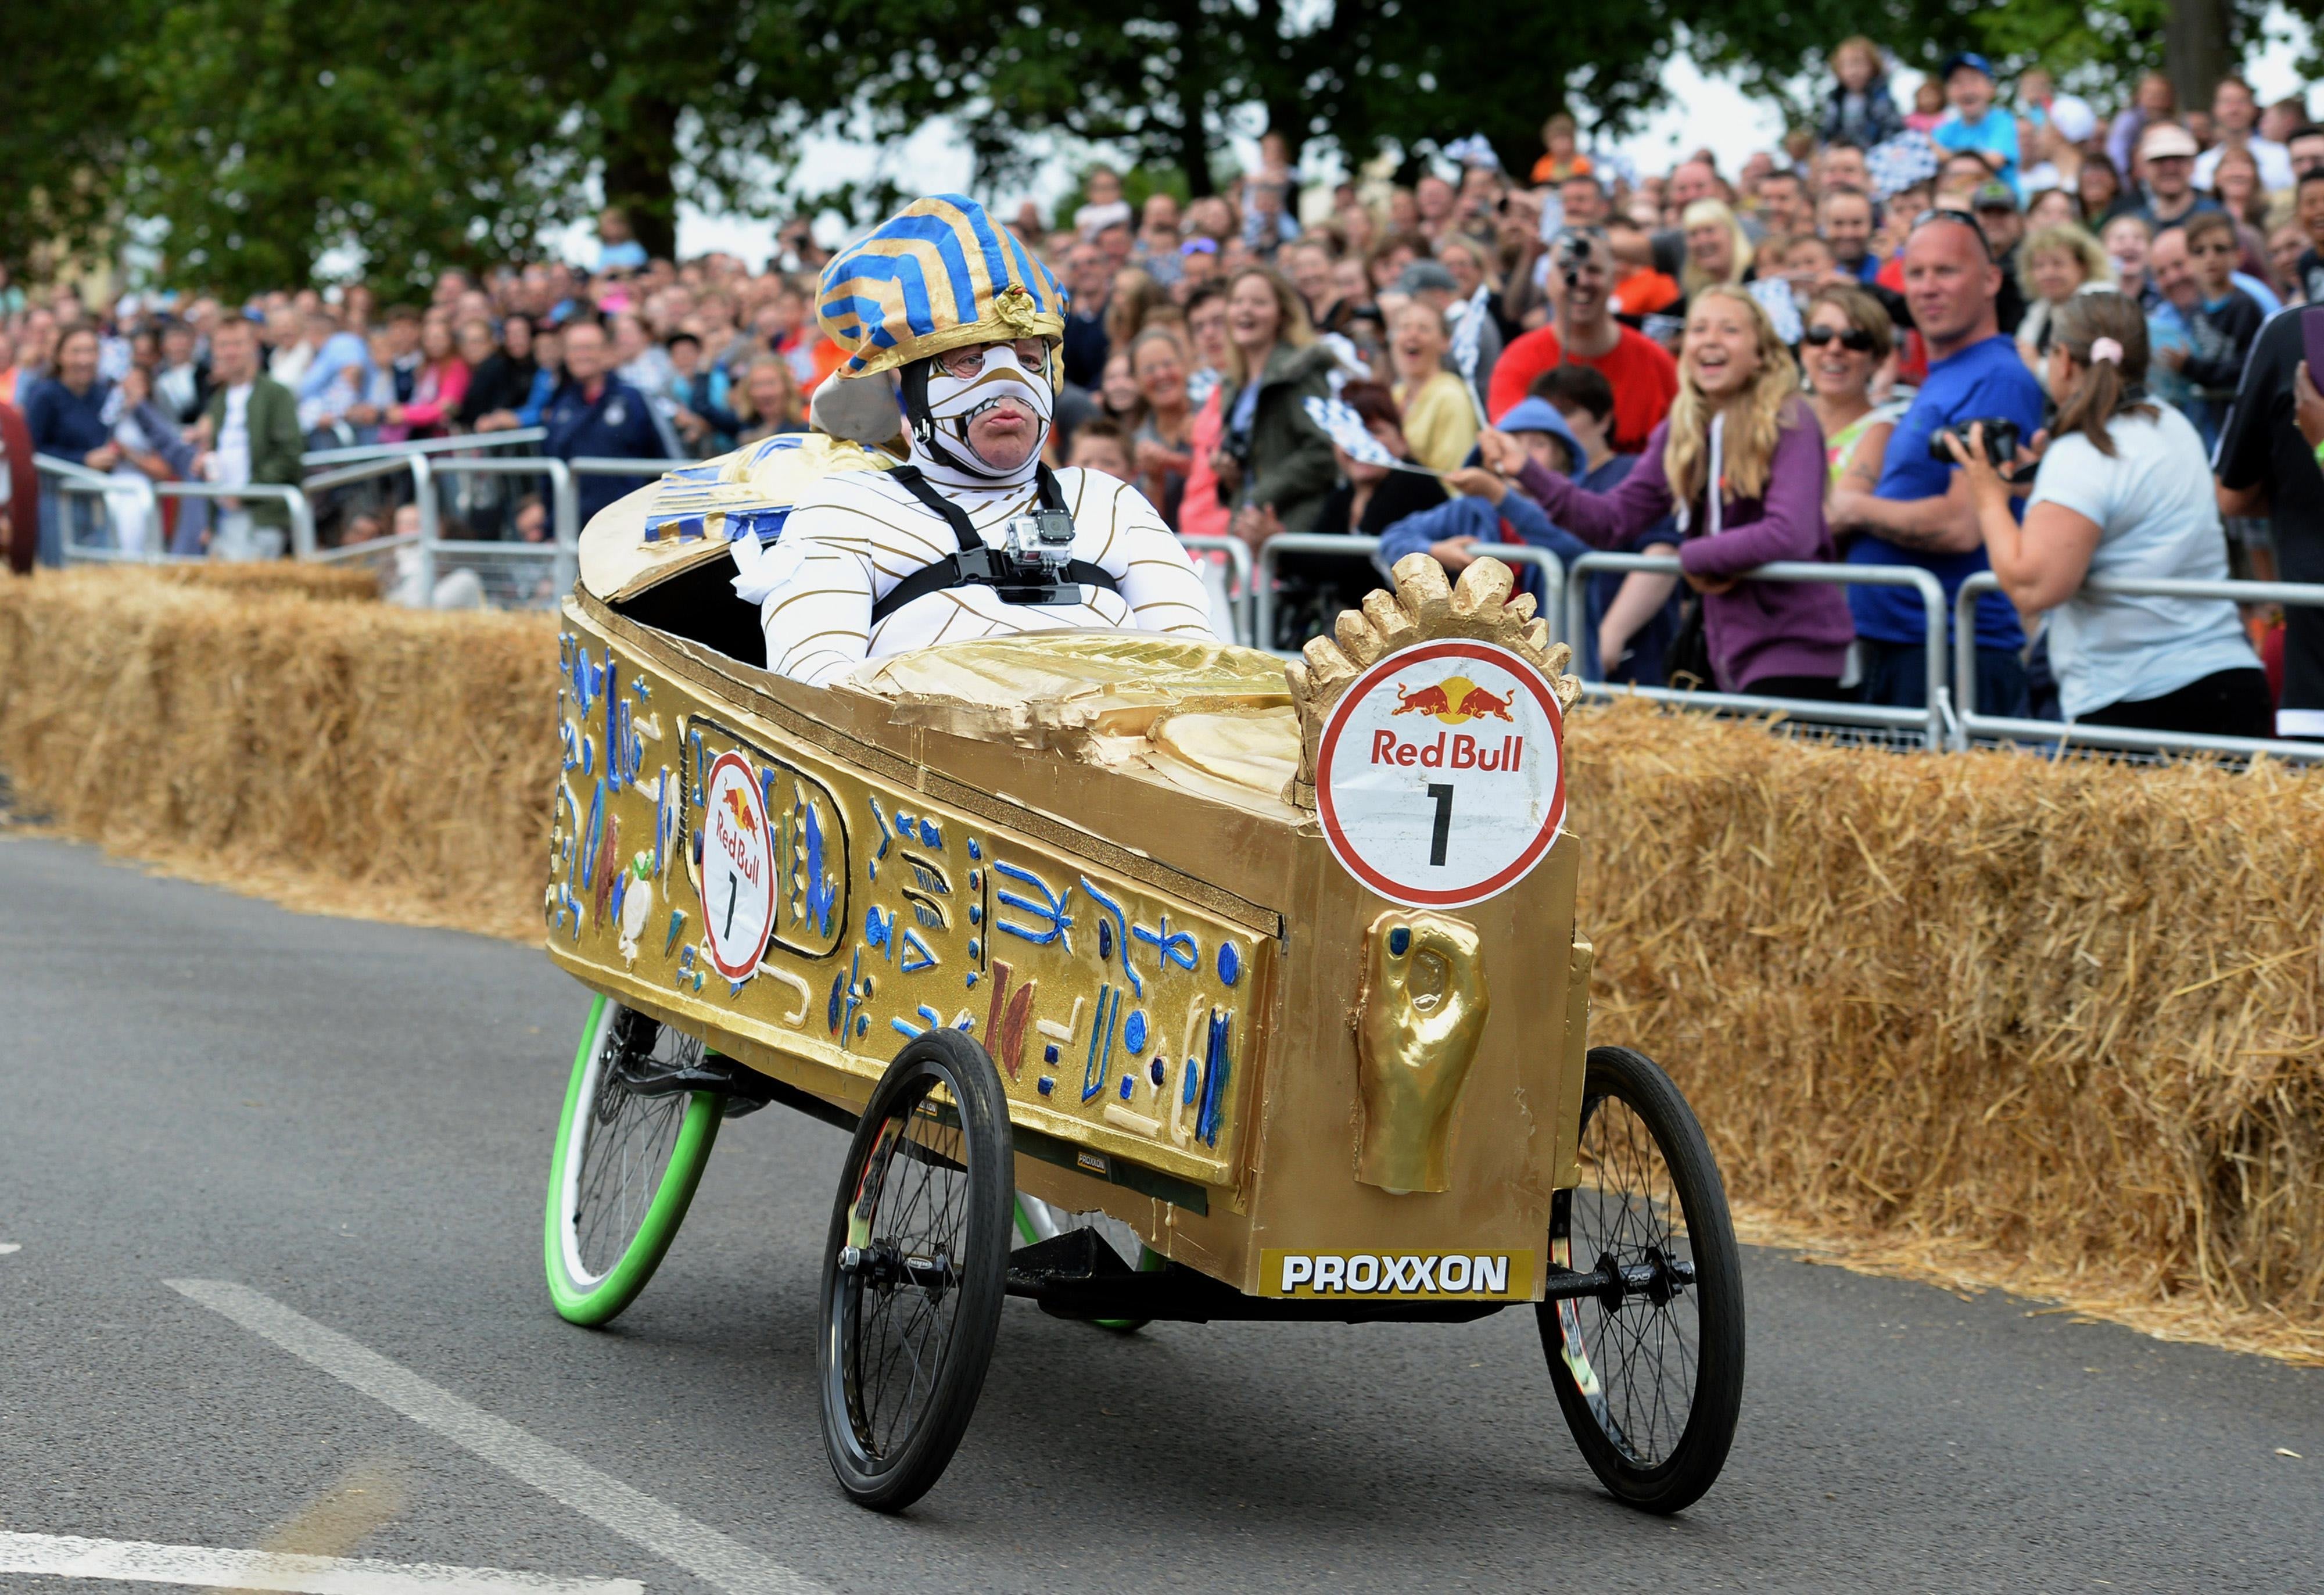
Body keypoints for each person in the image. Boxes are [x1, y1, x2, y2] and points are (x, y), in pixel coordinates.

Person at [749, 195, 1212, 683]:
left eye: (1030, 358)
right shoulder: (846, 509)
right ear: (911, 384)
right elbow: (811, 693)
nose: (1008, 379)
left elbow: (1203, 677)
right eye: (969, 359)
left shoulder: (1112, 503)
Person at [1946, 292, 2268, 737]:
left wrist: (1986, 494)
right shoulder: (2173, 424)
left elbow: (2032, 585)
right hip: (2228, 684)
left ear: (2063, 360)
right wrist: (2044, 484)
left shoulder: (2082, 452)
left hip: (2138, 700)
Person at [1515, 285, 1855, 698]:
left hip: (1796, 648)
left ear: (1761, 352)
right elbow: (1611, 522)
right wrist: (1527, 471)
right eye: (1698, 329)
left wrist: (1690, 558)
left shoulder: (1790, 417)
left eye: (1729, 329)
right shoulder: (1682, 430)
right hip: (1725, 650)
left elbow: (1790, 532)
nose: (1710, 340)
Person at [1829, 211, 2045, 716]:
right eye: (1916, 273)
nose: (1927, 288)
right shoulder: (1950, 373)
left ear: (1992, 279)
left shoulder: (1996, 376)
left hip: (1949, 655)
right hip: (1909, 648)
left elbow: (1962, 524)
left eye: (1946, 271)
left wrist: (1853, 509)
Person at [1487, 227, 1680, 450]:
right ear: (1548, 282)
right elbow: (1511, 451)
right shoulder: (1518, 361)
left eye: (1594, 270)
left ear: (1613, 281)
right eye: (1567, 270)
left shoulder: (1657, 362)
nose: (1581, 280)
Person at [1210, 266, 1340, 544]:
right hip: (1246, 532)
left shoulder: (1300, 371)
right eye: (1237, 302)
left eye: (1259, 302)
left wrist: (1260, 496)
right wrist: (1227, 474)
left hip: (1291, 527)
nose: (1246, 310)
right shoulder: (1233, 383)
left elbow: (1324, 452)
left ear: (1282, 314)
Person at [544, 317, 680, 528]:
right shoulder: (561, 405)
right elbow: (551, 474)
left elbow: (668, 459)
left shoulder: (634, 399)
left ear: (606, 352)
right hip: (576, 531)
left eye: (588, 348)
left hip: (630, 526)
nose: (581, 356)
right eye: (574, 349)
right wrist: (549, 527)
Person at [191, 316, 303, 561]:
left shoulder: (277, 395)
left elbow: (289, 455)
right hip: (224, 517)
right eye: (223, 345)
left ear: (254, 345)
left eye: (237, 343)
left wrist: (245, 492)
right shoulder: (218, 401)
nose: (230, 352)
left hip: (262, 516)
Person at [2162, 210, 2267, 449]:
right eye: (2199, 251)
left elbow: (2247, 368)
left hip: (2242, 417)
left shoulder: (2244, 306)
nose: (2210, 258)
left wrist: (2191, 367)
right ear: (2189, 260)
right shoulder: (2196, 308)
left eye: (2220, 249)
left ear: (2238, 255)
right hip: (2210, 419)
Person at [1802, 285, 1902, 486]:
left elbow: (1839, 513)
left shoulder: (1882, 432)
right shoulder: (1780, 417)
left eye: (1854, 340)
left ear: (1878, 359)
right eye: (1820, 335)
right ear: (1804, 349)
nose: (1835, 348)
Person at [1388, 301, 1477, 474]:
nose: (1412, 335)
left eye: (1424, 329)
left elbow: (1455, 477)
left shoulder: (1450, 396)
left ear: (1445, 342)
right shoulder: (1395, 394)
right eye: (1404, 328)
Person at [2015, 224, 2113, 368]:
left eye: (2058, 264)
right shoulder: (2039, 311)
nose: (2048, 274)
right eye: (2039, 266)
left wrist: (2037, 366)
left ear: (2083, 266)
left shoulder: (2100, 307)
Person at [1932, 53, 2021, 196]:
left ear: (1991, 88)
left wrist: (1945, 155)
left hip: (1998, 205)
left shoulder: (2002, 121)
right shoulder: (1943, 131)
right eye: (1958, 82)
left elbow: (1995, 160)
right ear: (1948, 92)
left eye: (1974, 81)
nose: (1967, 90)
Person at [2194, 75, 2295, 195]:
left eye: (2241, 102)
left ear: (2254, 108)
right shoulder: (2201, 165)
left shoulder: (2281, 156)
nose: (2234, 109)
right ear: (2215, 109)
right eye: (2227, 102)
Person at [1820, 38, 1905, 149]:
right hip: (1844, 156)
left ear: (1873, 67)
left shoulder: (1881, 98)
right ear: (1838, 70)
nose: (1854, 72)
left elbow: (1893, 131)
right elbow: (1827, 133)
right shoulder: (1836, 99)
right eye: (1847, 65)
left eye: (1859, 64)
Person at [2128, 123, 2215, 230]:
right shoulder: (2137, 225)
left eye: (2178, 159)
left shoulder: (2216, 217)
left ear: (2193, 165)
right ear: (2144, 168)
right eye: (2160, 160)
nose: (2170, 169)